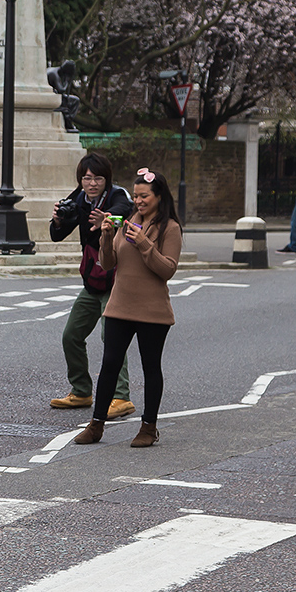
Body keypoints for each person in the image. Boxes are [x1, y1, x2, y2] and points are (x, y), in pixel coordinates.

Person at [74, 168, 182, 448]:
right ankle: (96, 425)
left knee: (150, 367)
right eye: (135, 196)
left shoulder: (170, 227)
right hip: (119, 305)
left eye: (144, 196)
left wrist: (145, 243)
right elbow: (108, 264)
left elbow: (167, 269)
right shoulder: (128, 220)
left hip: (152, 310)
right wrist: (107, 237)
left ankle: (149, 427)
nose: (138, 201)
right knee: (109, 364)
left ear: (159, 196)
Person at [48, 153, 136, 419]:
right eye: (87, 178)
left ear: (106, 179)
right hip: (93, 281)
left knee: (111, 338)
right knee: (71, 335)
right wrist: (59, 220)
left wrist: (107, 220)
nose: (92, 183)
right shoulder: (78, 199)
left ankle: (121, 397)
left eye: (97, 178)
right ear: (81, 179)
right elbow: (55, 236)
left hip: (117, 280)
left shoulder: (117, 195)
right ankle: (82, 390)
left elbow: (125, 212)